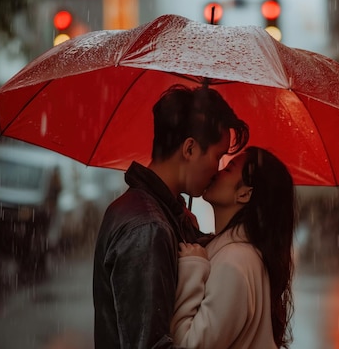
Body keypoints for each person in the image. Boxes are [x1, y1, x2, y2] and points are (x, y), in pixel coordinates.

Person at [92, 84, 249, 349]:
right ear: (189, 149)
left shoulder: (161, 213)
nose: (218, 168)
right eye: (218, 156)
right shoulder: (148, 227)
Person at [170, 146, 295, 349]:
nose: (216, 173)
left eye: (228, 169)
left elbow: (190, 345)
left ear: (244, 194)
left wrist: (191, 269)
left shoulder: (233, 262)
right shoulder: (243, 253)